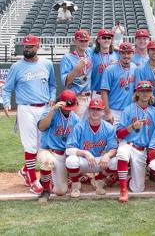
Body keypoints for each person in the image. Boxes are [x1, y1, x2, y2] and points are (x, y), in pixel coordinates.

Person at [2, 34, 57, 195]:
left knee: (44, 145)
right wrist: (6, 103)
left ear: (37, 46)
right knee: (30, 146)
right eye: (25, 47)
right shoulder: (16, 67)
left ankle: (26, 171)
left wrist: (53, 98)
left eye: (30, 46)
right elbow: (6, 89)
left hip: (44, 108)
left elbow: (53, 85)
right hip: (26, 108)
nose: (27, 49)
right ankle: (34, 180)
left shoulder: (47, 64)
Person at [115, 81, 155, 202]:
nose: (145, 93)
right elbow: (118, 133)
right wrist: (132, 127)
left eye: (147, 91)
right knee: (122, 153)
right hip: (128, 144)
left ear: (151, 93)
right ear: (137, 93)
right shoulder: (128, 109)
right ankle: (123, 190)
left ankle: (126, 178)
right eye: (142, 91)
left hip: (142, 150)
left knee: (138, 188)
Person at [65, 98, 118, 198]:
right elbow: (68, 149)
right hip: (83, 162)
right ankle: (75, 184)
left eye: (98, 109)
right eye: (93, 109)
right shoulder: (79, 127)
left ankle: (99, 179)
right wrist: (85, 153)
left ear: (103, 111)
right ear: (88, 110)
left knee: (117, 161)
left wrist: (107, 155)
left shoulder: (109, 128)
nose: (95, 112)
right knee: (70, 160)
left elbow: (114, 148)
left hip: (99, 161)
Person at [37, 90, 80, 202]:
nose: (68, 109)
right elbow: (41, 127)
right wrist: (52, 110)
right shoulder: (50, 112)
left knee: (61, 191)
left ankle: (49, 178)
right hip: (48, 151)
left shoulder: (75, 118)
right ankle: (45, 190)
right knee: (46, 160)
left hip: (63, 155)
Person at [101, 42, 137, 125]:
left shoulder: (135, 68)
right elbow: (104, 92)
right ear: (119, 53)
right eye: (123, 53)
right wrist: (107, 112)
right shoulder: (110, 69)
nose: (126, 56)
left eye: (129, 53)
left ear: (133, 53)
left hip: (130, 110)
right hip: (114, 110)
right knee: (113, 137)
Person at [60, 29, 93, 118]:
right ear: (75, 41)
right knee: (76, 127)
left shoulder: (90, 53)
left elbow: (103, 47)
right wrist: (76, 69)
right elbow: (66, 83)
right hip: (76, 97)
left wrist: (115, 48)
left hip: (90, 97)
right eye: (81, 40)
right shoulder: (67, 58)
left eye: (86, 41)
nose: (84, 43)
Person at [134, 40, 155, 115]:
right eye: (152, 49)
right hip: (145, 107)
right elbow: (137, 91)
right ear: (148, 51)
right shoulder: (140, 69)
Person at [90, 29, 119, 99]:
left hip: (112, 93)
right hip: (96, 93)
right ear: (98, 40)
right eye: (104, 38)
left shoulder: (117, 54)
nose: (106, 40)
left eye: (109, 38)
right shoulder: (91, 54)